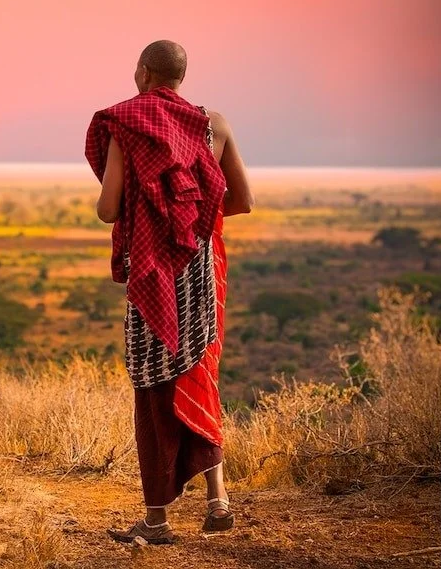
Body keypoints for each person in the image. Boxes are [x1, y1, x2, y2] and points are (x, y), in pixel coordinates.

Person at [84, 40, 254, 544]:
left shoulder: (127, 125)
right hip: (199, 269)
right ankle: (218, 500)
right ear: (181, 76)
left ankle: (156, 520)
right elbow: (242, 200)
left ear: (143, 73)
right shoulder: (214, 124)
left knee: (155, 388)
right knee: (197, 374)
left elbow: (108, 209)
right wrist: (190, 218)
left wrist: (151, 218)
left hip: (153, 272)